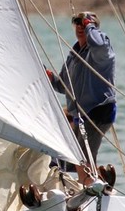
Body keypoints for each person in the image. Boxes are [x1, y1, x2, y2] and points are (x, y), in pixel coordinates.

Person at [47, 11, 116, 184]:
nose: (80, 26)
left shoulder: (102, 49)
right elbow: (62, 86)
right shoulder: (74, 55)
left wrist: (89, 26)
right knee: (76, 157)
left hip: (98, 110)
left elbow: (98, 45)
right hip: (81, 114)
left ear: (94, 27)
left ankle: (92, 190)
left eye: (84, 23)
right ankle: (90, 184)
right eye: (77, 22)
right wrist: (47, 75)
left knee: (82, 159)